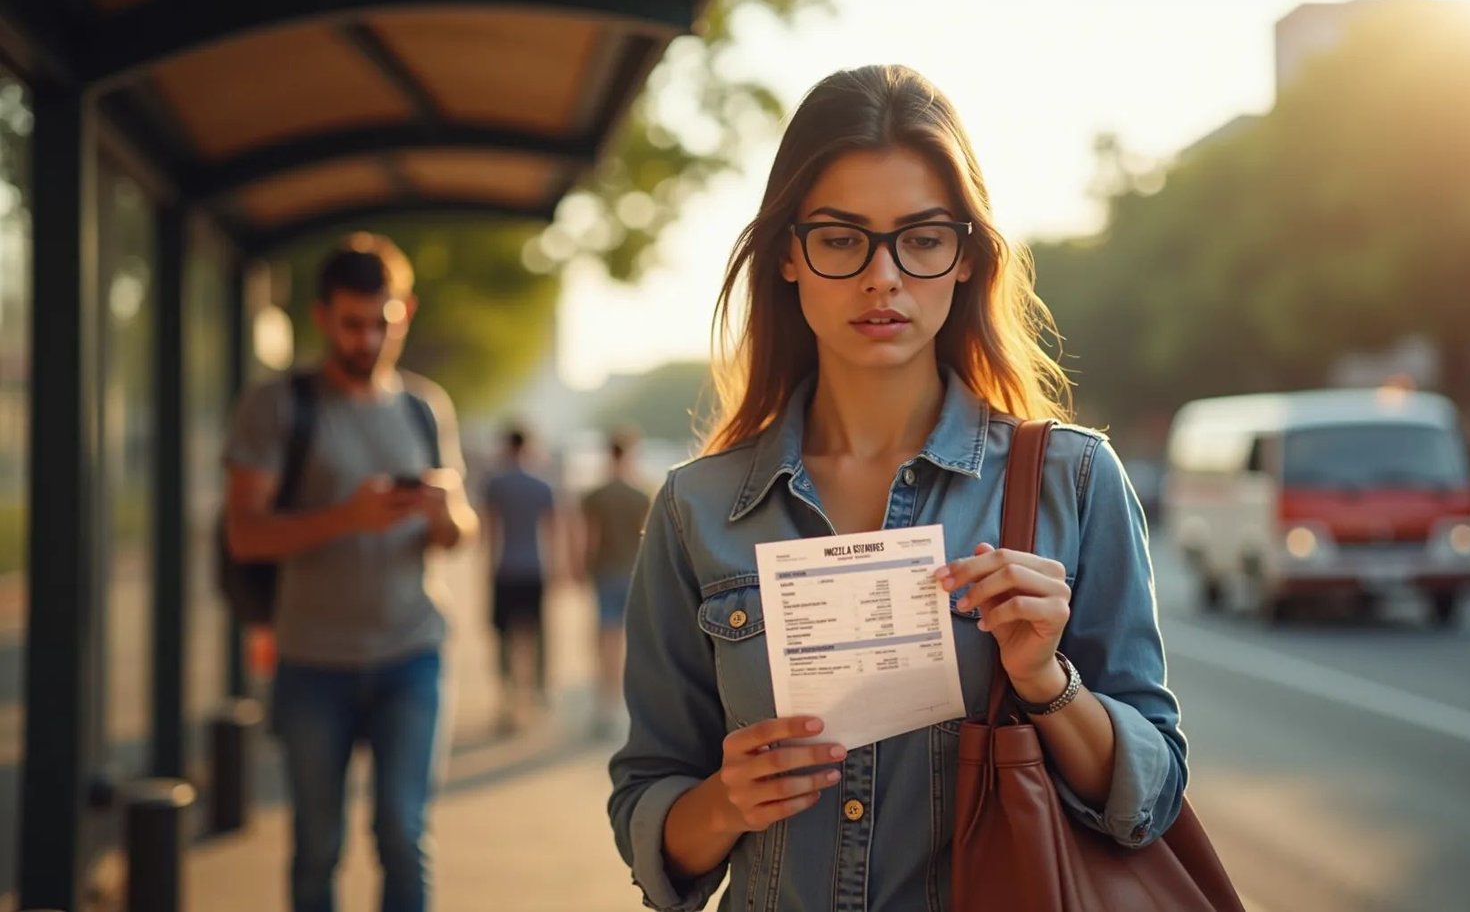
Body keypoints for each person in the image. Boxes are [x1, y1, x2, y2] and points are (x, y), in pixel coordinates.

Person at [607, 65, 1187, 911]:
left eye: (921, 238)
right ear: (788, 259)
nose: (884, 278)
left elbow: (1153, 794)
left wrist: (1043, 680)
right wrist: (726, 802)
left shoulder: (1075, 478)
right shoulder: (696, 511)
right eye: (842, 239)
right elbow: (648, 808)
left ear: (965, 260)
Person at [224, 233, 478, 912]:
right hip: (314, 662)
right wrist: (347, 517)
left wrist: (442, 511)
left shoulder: (426, 407)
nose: (367, 340)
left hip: (413, 653)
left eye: (382, 324)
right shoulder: (278, 407)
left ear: (406, 312)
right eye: (352, 324)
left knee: (403, 831)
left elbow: (460, 532)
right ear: (322, 317)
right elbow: (244, 534)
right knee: (317, 843)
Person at [481, 424, 561, 728]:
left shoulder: (496, 484)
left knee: (504, 635)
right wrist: (554, 568)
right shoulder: (542, 485)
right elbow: (551, 532)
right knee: (536, 634)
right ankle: (535, 694)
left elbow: (490, 531)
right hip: (534, 567)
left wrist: (487, 569)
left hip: (505, 567)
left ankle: (508, 698)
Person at [579, 426, 653, 734]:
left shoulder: (595, 495)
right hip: (634, 571)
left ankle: (606, 702)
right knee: (631, 640)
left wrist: (582, 567)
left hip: (605, 571)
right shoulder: (641, 494)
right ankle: (627, 703)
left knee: (605, 638)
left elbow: (590, 538)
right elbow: (648, 537)